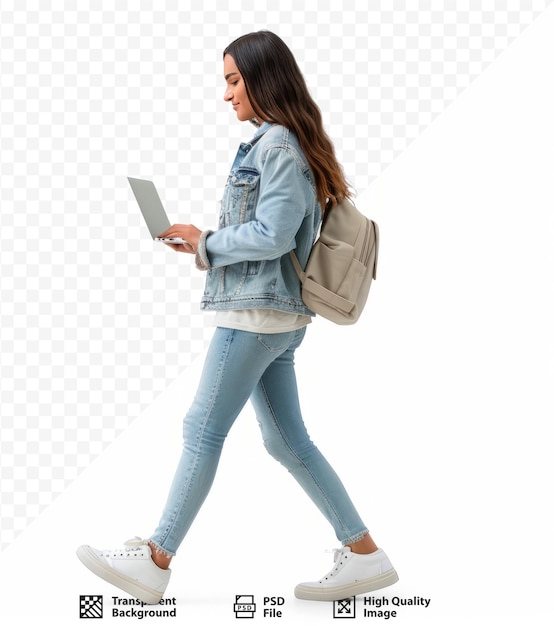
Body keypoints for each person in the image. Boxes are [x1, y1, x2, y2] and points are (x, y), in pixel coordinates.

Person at [77, 30, 398, 605]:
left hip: (255, 317)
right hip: (277, 316)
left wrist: (208, 241)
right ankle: (364, 555)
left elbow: (273, 234)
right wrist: (203, 247)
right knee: (285, 440)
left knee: (202, 428)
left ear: (262, 79)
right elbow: (268, 233)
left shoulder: (274, 146)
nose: (226, 95)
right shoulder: (284, 143)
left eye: (232, 80)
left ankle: (155, 559)